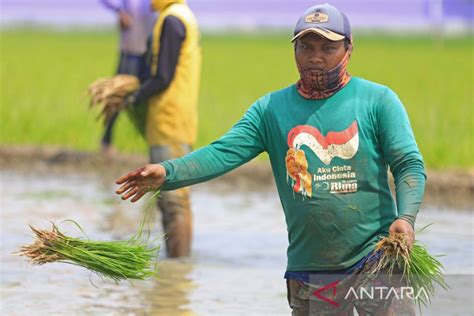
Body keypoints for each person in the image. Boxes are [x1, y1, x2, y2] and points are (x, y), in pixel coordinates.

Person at [116, 3, 425, 314]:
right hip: (313, 268)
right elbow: (223, 152)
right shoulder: (271, 110)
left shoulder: (377, 100)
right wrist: (168, 172)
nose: (315, 57)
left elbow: (408, 164)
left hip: (376, 257)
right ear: (294, 49)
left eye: (327, 47)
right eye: (306, 46)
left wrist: (406, 218)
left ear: (349, 48)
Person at [121, 0, 201, 258]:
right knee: (173, 199)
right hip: (175, 118)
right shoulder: (179, 15)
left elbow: (163, 76)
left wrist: (134, 97)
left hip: (170, 120)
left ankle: (178, 270)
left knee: (174, 201)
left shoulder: (172, 20)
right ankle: (178, 268)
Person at [99, 0, 156, 155]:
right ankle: (106, 140)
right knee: (118, 95)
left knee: (150, 98)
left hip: (151, 54)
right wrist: (119, 11)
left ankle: (154, 145)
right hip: (130, 51)